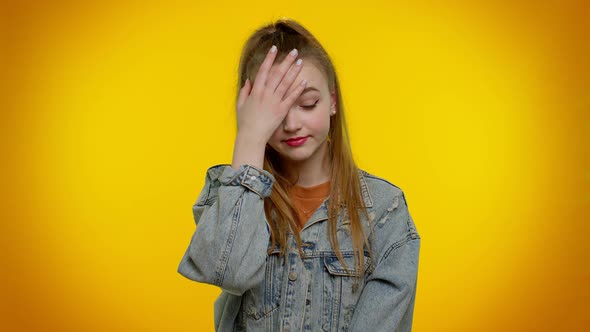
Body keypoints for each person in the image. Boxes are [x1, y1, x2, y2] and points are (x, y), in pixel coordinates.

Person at [177, 18, 421, 332]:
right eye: (276, 110)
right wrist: (250, 138)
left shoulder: (385, 210)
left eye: (307, 104)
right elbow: (230, 273)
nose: (292, 124)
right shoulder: (228, 195)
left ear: (332, 101)